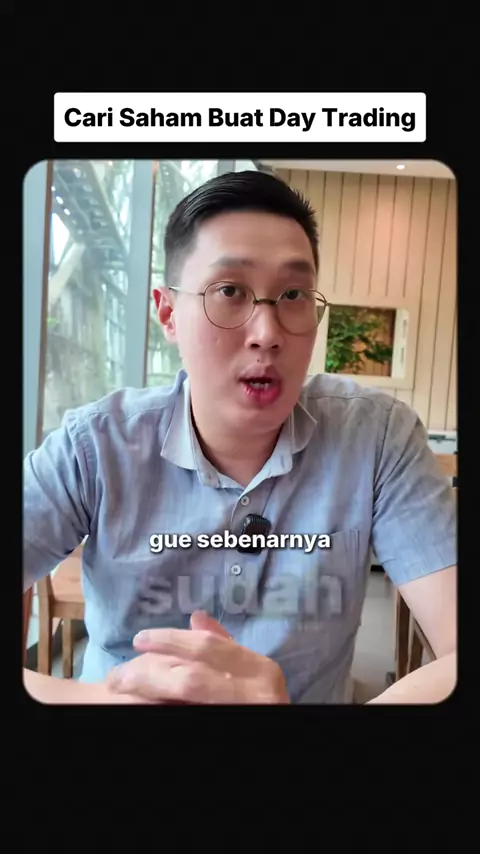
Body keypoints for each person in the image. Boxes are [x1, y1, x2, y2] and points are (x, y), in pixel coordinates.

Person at [23, 170, 457, 705]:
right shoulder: (94, 447)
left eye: (293, 294)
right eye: (229, 291)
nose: (267, 334)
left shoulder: (378, 438)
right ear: (168, 313)